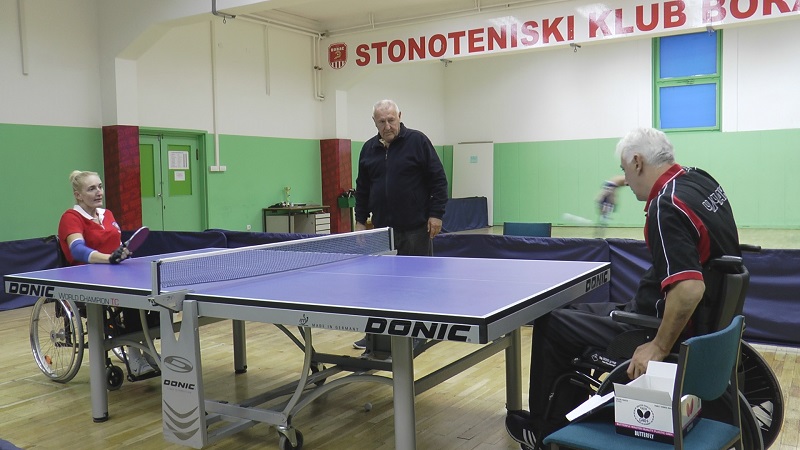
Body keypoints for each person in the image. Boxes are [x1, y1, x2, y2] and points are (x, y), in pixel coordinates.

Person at [505, 128, 740, 449]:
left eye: (625, 169)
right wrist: (615, 182)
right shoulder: (698, 180)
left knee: (552, 323)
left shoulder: (666, 206)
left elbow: (688, 289)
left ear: (638, 162)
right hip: (708, 322)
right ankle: (578, 414)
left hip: (651, 326)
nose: (626, 178)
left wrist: (658, 346)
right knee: (569, 312)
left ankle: (546, 431)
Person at [352, 99, 449, 350]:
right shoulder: (368, 149)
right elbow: (362, 188)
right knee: (380, 285)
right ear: (374, 122)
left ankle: (417, 332)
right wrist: (360, 221)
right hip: (383, 232)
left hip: (416, 228)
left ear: (400, 117)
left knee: (416, 284)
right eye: (382, 121)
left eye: (391, 120)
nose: (387, 126)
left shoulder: (418, 141)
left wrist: (436, 214)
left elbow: (438, 180)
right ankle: (375, 334)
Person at [58, 170, 155, 376]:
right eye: (91, 189)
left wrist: (122, 252)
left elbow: (116, 245)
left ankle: (148, 348)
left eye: (100, 187)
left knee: (155, 297)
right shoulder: (71, 217)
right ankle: (134, 355)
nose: (99, 192)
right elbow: (77, 249)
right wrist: (108, 258)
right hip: (86, 279)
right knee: (132, 300)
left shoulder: (107, 214)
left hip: (114, 275)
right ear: (78, 195)